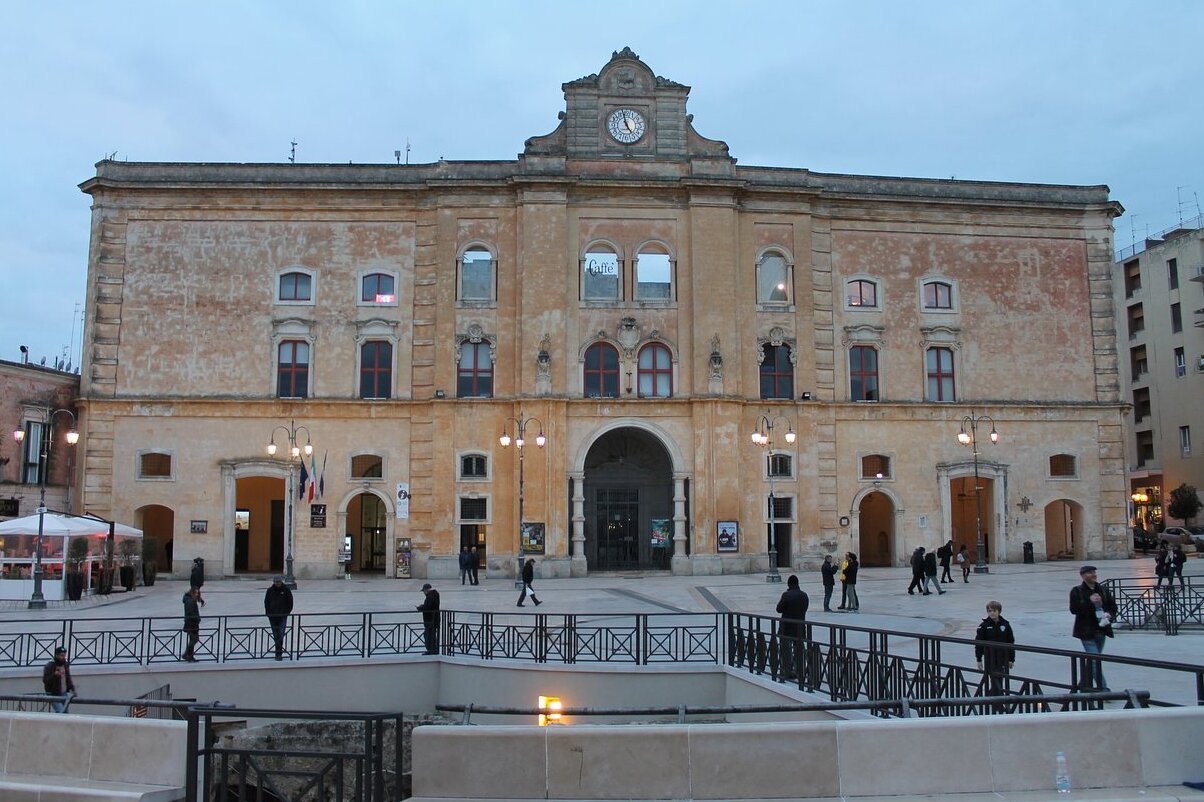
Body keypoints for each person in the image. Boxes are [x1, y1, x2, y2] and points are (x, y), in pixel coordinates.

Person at [1069, 565, 1117, 692]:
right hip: (1086, 631)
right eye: (1090, 573)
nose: (1094, 575)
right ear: (1083, 576)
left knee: (1092, 660)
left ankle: (1081, 685)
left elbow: (1113, 607)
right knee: (1095, 660)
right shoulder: (1077, 591)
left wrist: (1109, 614)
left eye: (1094, 572)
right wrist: (1088, 601)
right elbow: (1074, 609)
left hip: (1101, 629)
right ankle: (1103, 689)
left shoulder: (1103, 590)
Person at [974, 600, 1015, 699]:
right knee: (995, 679)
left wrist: (1011, 659)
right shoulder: (984, 626)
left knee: (999, 679)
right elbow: (978, 644)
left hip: (1002, 657)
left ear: (999, 611)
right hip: (990, 658)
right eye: (989, 611)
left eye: (994, 611)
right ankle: (997, 702)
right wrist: (979, 659)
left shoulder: (1005, 624)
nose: (992, 613)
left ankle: (993, 699)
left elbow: (1010, 642)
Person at [775, 574, 809, 679]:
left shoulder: (786, 595)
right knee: (799, 649)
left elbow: (779, 609)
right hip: (800, 626)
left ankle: (787, 671)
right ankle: (800, 670)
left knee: (786, 649)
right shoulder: (804, 595)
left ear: (789, 584)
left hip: (787, 627)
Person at [264, 575, 294, 661]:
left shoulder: (286, 590)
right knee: (275, 635)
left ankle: (279, 653)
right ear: (274, 582)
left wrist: (286, 613)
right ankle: (278, 652)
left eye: (279, 582)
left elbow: (290, 602)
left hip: (282, 616)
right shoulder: (270, 590)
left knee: (280, 634)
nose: (278, 583)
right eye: (276, 582)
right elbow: (266, 602)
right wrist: (269, 613)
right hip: (272, 616)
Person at [42, 646, 75, 713]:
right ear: (57, 655)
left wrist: (72, 688)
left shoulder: (65, 664)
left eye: (64, 655)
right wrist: (54, 675)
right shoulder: (50, 665)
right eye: (61, 655)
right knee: (60, 711)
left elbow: (68, 677)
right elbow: (45, 680)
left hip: (63, 693)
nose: (63, 657)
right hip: (53, 694)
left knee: (65, 712)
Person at [181, 586, 204, 662]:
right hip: (191, 623)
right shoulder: (190, 601)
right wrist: (197, 619)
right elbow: (190, 612)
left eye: (198, 593)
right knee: (194, 639)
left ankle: (188, 655)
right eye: (196, 593)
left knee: (193, 639)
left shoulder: (189, 600)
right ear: (192, 593)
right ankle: (188, 655)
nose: (197, 594)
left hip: (191, 623)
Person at [417, 583, 440, 654]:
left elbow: (428, 607)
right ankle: (433, 650)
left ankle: (431, 650)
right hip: (434, 619)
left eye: (424, 591)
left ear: (426, 590)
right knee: (431, 635)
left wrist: (420, 608)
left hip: (430, 620)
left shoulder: (430, 597)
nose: (424, 593)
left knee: (428, 635)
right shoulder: (435, 595)